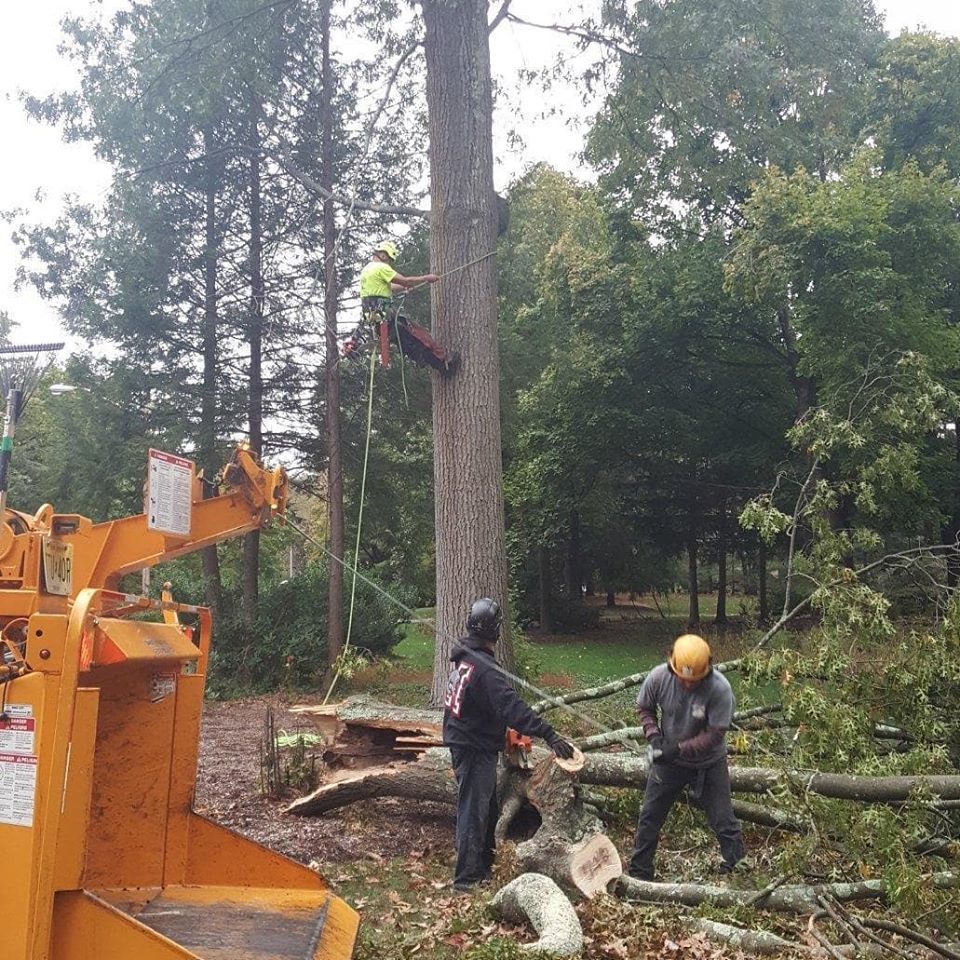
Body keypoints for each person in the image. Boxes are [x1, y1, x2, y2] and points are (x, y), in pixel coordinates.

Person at [442, 597, 575, 891]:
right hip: (473, 747)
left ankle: (485, 866)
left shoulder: (466, 658)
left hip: (468, 741)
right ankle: (465, 880)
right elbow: (511, 707)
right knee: (473, 811)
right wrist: (549, 734)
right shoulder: (484, 668)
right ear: (496, 631)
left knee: (487, 808)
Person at [627, 633, 746, 881]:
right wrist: (654, 738)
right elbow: (644, 708)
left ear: (707, 669)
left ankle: (739, 870)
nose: (689, 684)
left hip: (709, 763)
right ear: (673, 667)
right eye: (683, 679)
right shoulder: (659, 677)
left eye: (695, 680)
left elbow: (715, 734)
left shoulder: (720, 689)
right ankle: (639, 875)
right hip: (669, 765)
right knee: (649, 816)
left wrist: (678, 748)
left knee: (723, 819)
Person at [345, 240, 459, 376]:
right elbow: (405, 280)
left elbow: (390, 287)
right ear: (383, 255)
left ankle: (440, 366)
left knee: (409, 344)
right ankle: (444, 364)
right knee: (419, 337)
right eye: (389, 260)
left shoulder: (366, 271)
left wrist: (406, 287)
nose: (389, 263)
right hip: (385, 317)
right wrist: (426, 278)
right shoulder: (380, 268)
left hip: (375, 319)